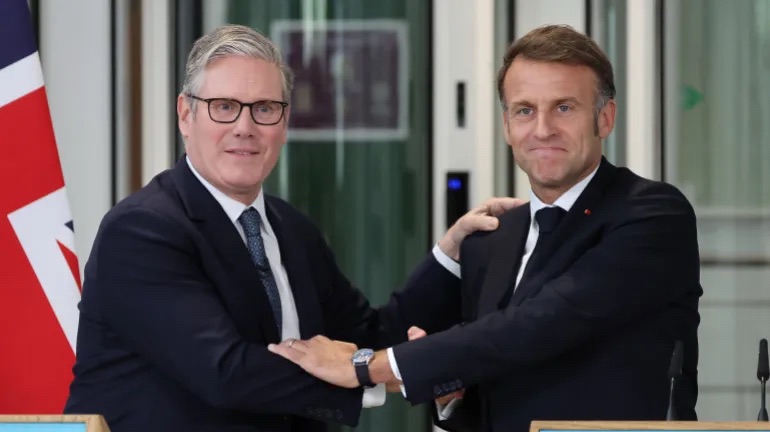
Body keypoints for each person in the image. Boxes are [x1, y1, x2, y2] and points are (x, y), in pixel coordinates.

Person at [62, 24, 522, 432]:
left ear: (284, 122)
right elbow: (225, 373)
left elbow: (370, 334)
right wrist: (373, 373)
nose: (245, 127)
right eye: (224, 106)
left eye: (264, 108)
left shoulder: (288, 227)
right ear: (186, 114)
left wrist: (450, 255)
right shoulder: (142, 231)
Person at [268, 24, 703, 432]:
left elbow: (539, 324)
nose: (543, 129)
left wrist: (369, 366)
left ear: (605, 118)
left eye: (564, 107)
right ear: (507, 126)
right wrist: (452, 397)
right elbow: (492, 384)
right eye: (525, 110)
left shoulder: (652, 215)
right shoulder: (493, 241)